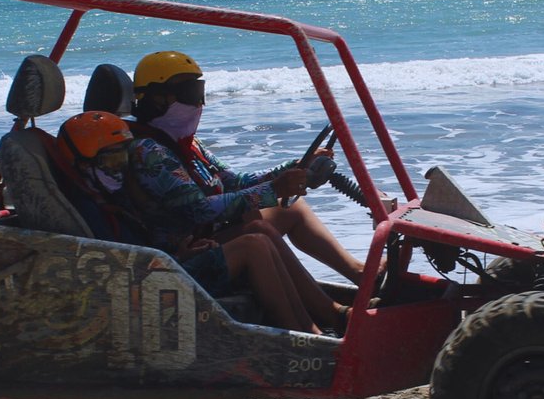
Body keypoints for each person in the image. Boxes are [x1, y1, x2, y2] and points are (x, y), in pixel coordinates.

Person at [57, 112, 344, 335]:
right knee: (253, 244)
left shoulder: (123, 182)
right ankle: (305, 335)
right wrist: (179, 255)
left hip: (168, 258)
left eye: (123, 156)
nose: (119, 166)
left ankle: (327, 318)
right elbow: (122, 256)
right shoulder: (95, 201)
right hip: (150, 277)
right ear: (84, 163)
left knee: (259, 229)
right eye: (110, 160)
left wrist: (289, 172)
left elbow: (231, 181)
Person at [126, 51, 366, 283]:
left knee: (292, 209)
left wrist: (294, 167)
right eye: (190, 93)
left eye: (200, 92)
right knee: (258, 229)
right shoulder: (149, 151)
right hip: (182, 252)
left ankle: (359, 273)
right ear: (156, 98)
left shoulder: (188, 145)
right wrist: (273, 190)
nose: (198, 103)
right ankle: (330, 311)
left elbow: (234, 182)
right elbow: (199, 209)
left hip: (208, 234)